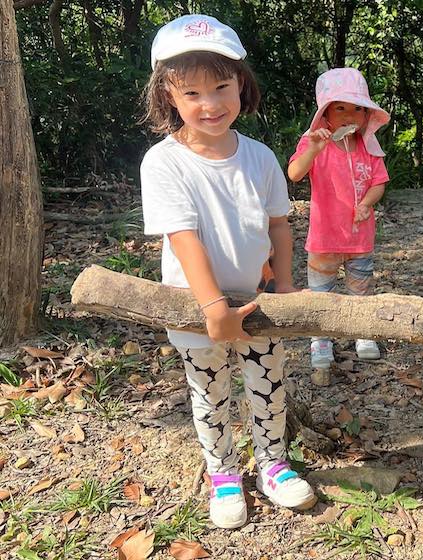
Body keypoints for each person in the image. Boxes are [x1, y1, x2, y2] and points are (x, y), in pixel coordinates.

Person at [140, 14, 316, 529]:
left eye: (221, 86)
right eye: (191, 92)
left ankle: (273, 464)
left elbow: (279, 227)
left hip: (259, 299)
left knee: (267, 382)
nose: (210, 103)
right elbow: (183, 236)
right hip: (196, 306)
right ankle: (222, 472)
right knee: (209, 388)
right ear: (167, 95)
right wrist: (214, 307)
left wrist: (283, 288)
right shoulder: (164, 162)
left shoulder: (259, 157)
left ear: (241, 82)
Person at [288, 67, 389, 369]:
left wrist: (368, 203)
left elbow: (379, 182)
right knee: (321, 292)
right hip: (324, 237)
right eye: (340, 108)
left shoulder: (368, 147)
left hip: (360, 237)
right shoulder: (314, 143)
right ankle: (320, 340)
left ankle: (362, 332)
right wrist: (315, 149)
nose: (349, 115)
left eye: (357, 109)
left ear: (367, 114)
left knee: (361, 288)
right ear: (326, 115)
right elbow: (294, 174)